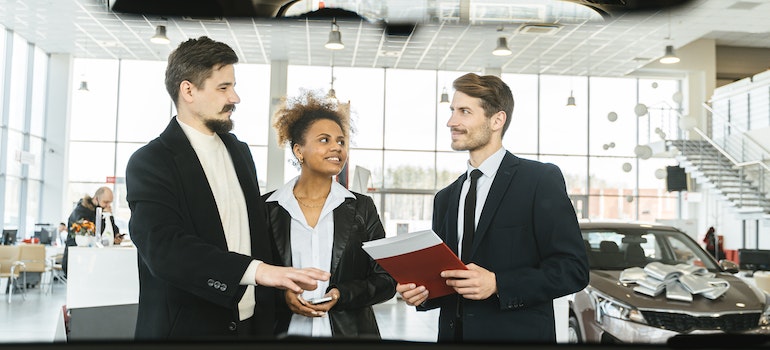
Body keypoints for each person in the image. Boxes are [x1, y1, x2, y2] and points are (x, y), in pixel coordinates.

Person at [125, 36, 330, 340]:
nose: (235, 98)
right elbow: (165, 249)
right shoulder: (151, 161)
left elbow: (255, 235)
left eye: (233, 86)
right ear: (188, 90)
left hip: (252, 328)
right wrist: (260, 272)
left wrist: (281, 286)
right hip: (188, 331)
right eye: (223, 87)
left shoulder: (239, 151)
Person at [396, 73, 590, 343]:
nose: (451, 121)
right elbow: (446, 277)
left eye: (464, 111)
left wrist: (499, 283)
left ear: (497, 120)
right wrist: (423, 294)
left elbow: (573, 270)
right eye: (452, 111)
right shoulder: (446, 197)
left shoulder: (538, 181)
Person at [263, 91, 396, 338]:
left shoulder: (361, 208)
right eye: (324, 140)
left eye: (341, 141)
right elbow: (250, 275)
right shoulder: (267, 209)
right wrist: (283, 296)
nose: (337, 147)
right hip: (282, 332)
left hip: (351, 333)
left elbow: (387, 279)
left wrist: (340, 294)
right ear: (298, 150)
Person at [62, 187, 121, 274]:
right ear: (96, 199)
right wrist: (103, 217)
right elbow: (93, 232)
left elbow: (113, 230)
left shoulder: (103, 211)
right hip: (77, 259)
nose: (108, 205)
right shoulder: (80, 211)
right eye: (105, 202)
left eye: (110, 203)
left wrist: (116, 235)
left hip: (94, 260)